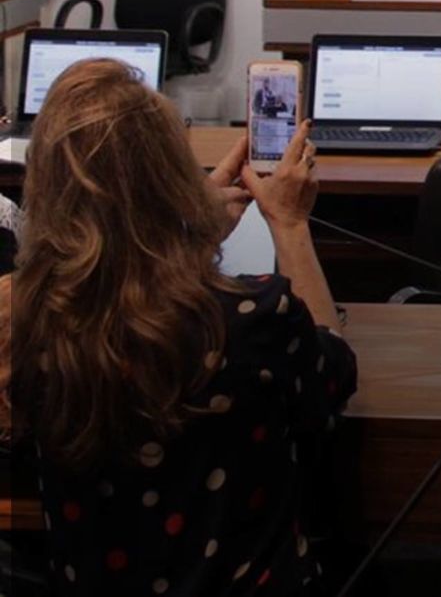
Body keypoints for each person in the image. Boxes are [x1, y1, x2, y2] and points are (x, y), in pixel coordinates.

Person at [10, 59, 355, 595]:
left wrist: (188, 233)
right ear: (172, 176)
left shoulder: (27, 317)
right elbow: (333, 373)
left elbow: (125, 290)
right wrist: (289, 225)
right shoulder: (251, 317)